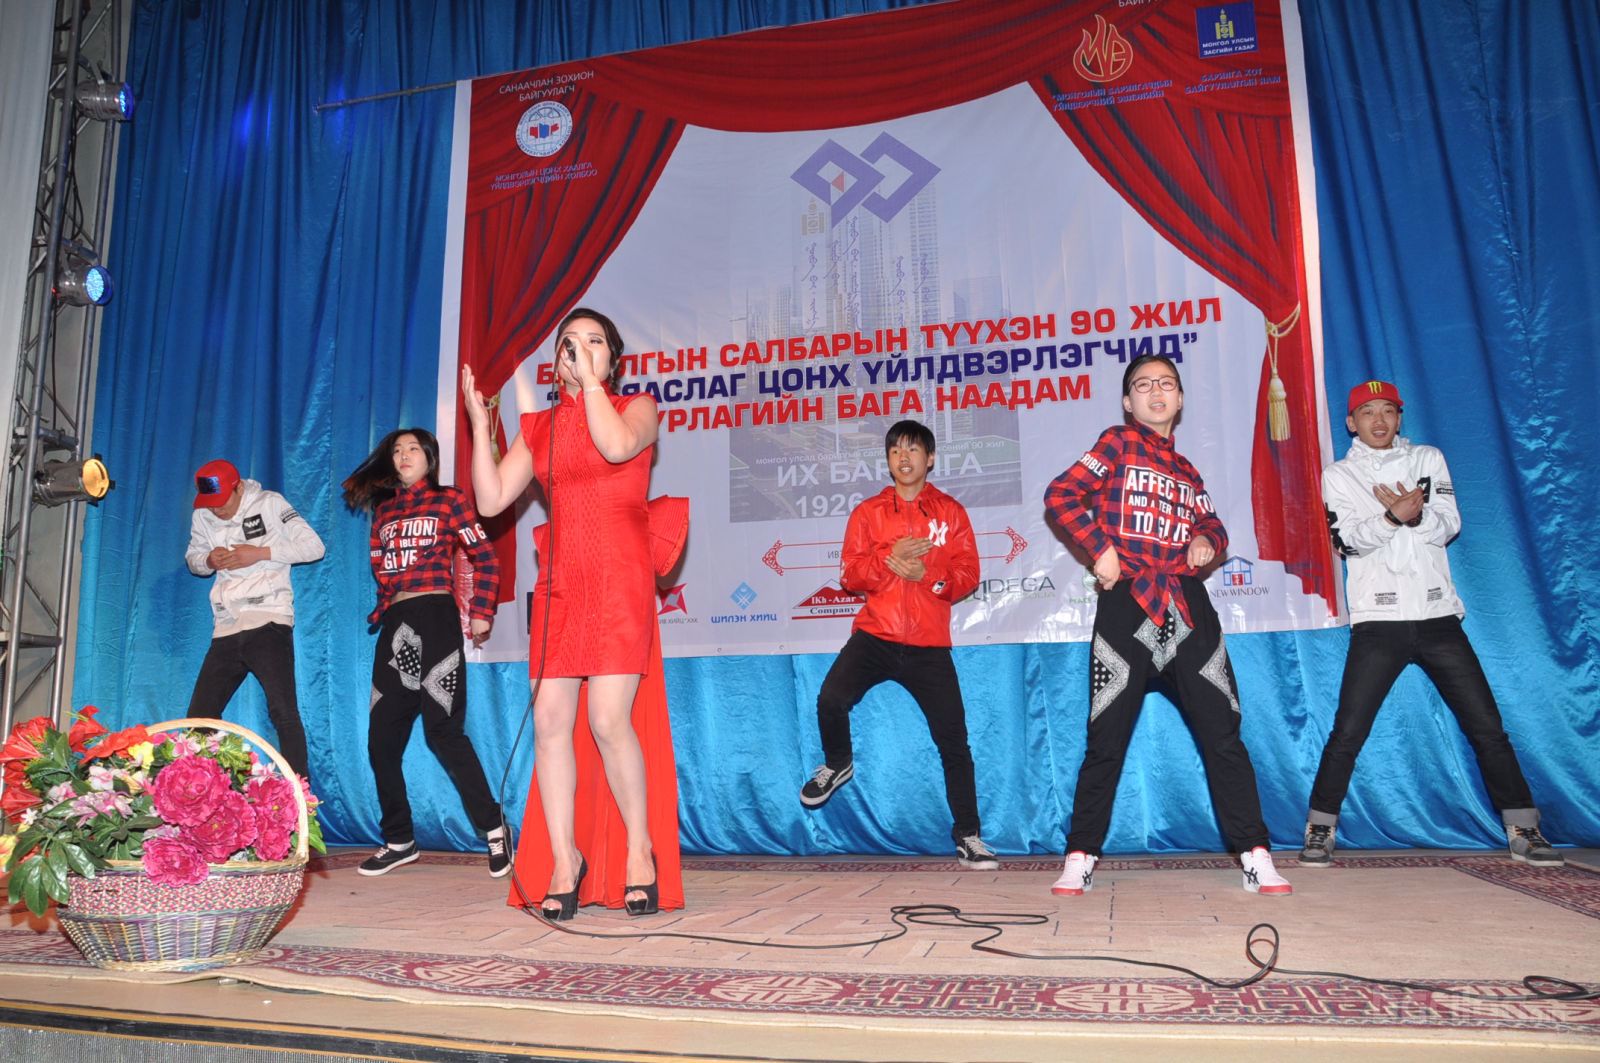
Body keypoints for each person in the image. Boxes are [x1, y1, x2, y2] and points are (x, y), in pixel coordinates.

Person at [1042, 354, 1291, 897]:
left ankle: (1255, 853)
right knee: (1105, 738)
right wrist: (1100, 548)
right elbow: (1060, 496)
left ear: (1179, 399)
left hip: (1187, 608)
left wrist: (1205, 540)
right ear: (1127, 401)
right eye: (1143, 385)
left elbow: (1215, 526)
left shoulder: (1187, 471)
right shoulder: (1116, 443)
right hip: (1127, 604)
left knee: (1222, 733)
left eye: (1167, 384)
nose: (1156, 392)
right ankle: (1080, 855)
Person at [464, 307, 683, 920]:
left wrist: (590, 385)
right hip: (561, 581)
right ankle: (566, 860)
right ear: (555, 361)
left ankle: (640, 852)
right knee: (550, 720)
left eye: (594, 342)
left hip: (618, 576)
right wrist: (482, 429)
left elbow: (614, 446)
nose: (580, 350)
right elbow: (491, 499)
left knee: (609, 720)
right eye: (569, 343)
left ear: (612, 358)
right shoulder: (540, 427)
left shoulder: (638, 408)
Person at [1301, 381, 1562, 867]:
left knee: (1487, 727)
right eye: (1367, 412)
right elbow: (1349, 542)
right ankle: (1320, 827)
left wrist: (1416, 517)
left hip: (1439, 617)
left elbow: (1449, 524)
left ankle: (1524, 828)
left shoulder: (1428, 459)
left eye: (1387, 411)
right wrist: (1392, 517)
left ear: (1399, 417)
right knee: (1348, 730)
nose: (1379, 421)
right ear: (1351, 422)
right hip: (1379, 621)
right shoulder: (1339, 475)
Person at [798, 420, 997, 870]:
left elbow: (968, 574)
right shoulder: (868, 513)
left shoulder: (950, 512)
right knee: (831, 699)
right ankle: (837, 762)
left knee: (954, 742)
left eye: (912, 450)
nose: (903, 458)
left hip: (929, 645)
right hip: (876, 635)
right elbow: (850, 575)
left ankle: (969, 836)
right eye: (895, 451)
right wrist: (889, 561)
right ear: (887, 461)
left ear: (930, 458)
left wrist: (927, 575)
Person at [341, 428, 508, 878]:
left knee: (443, 732)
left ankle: (494, 828)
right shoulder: (384, 512)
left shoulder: (449, 500)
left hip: (436, 618)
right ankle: (399, 839)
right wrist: (384, 609)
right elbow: (381, 571)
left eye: (413, 448)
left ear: (430, 458)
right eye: (397, 450)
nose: (403, 455)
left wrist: (481, 611)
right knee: (381, 739)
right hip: (396, 627)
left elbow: (485, 557)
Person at [185, 459, 324, 780]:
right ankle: (199, 791)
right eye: (210, 503)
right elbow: (193, 560)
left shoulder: (270, 503)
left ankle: (299, 795)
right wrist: (208, 560)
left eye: (222, 501)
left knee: (283, 712)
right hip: (225, 625)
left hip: (269, 619)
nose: (216, 510)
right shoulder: (202, 515)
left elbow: (314, 547)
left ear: (238, 487)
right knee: (199, 719)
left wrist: (260, 553)